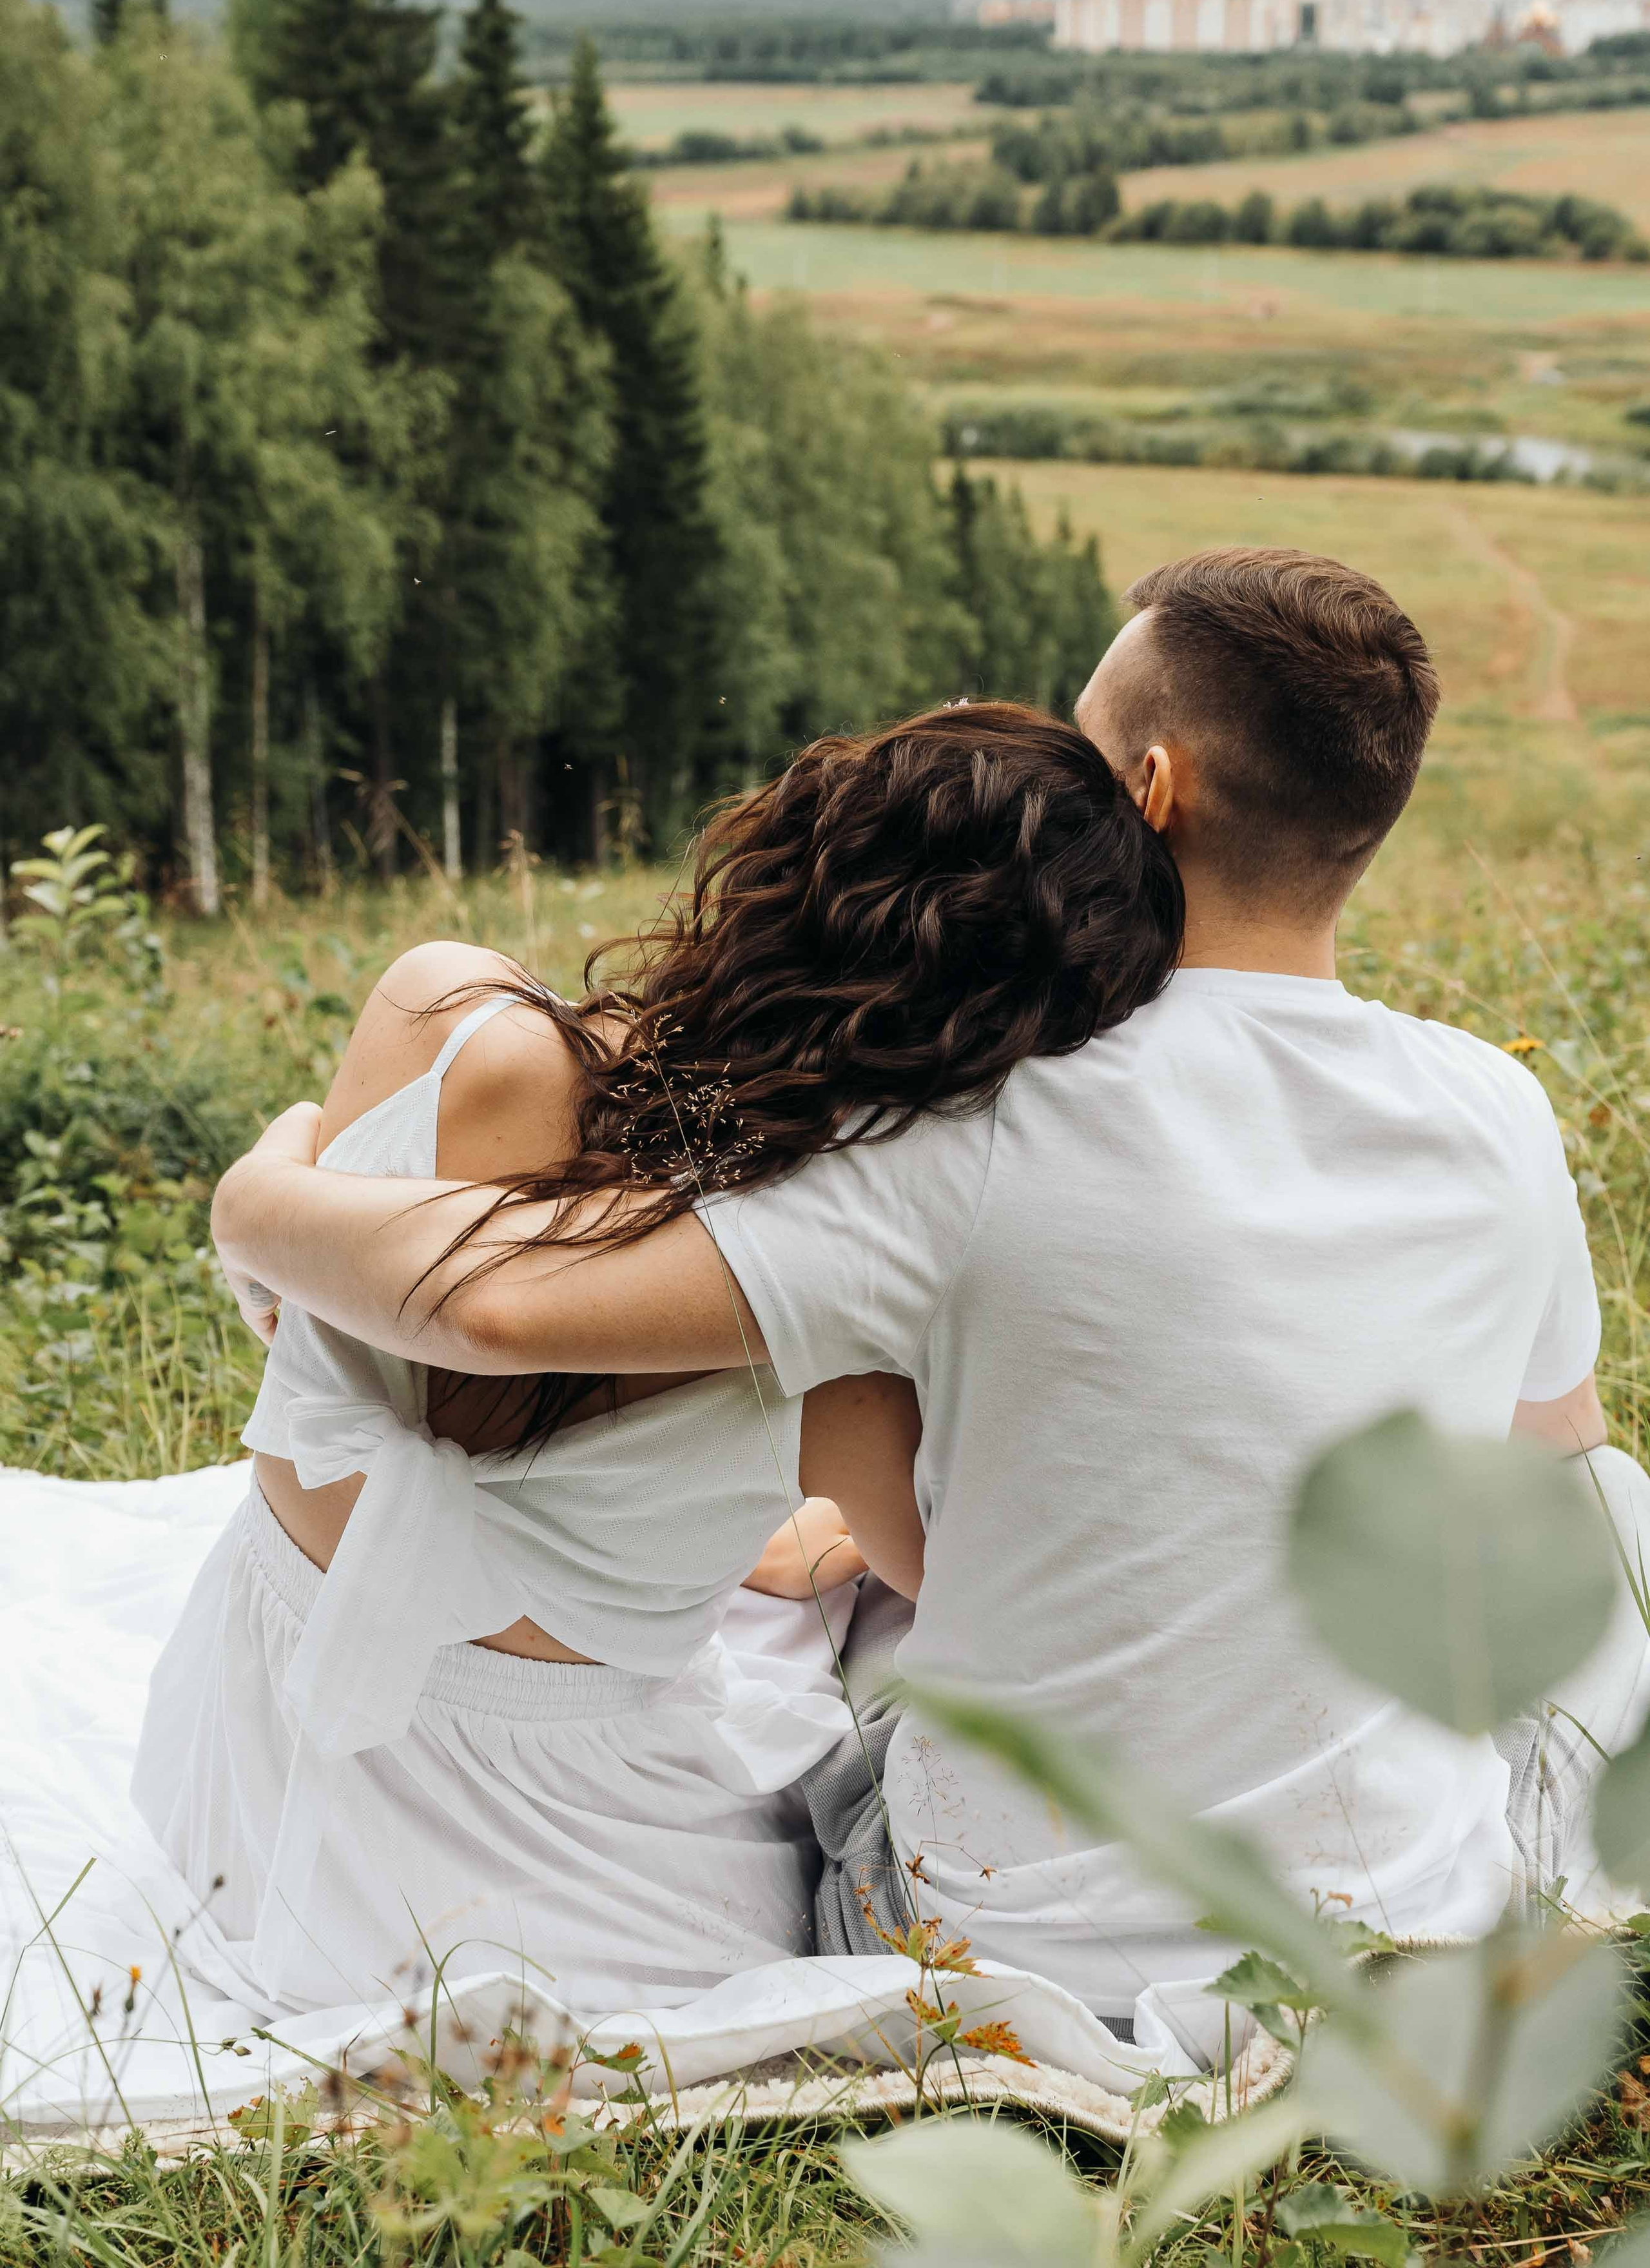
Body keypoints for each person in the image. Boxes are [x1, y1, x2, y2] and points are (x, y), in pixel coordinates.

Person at [213, 546, 1650, 2049]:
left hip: (1018, 1946)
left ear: (1146, 789)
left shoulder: (974, 1119)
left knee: (879, 1606)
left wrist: (258, 1199)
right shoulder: (1494, 1107)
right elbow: (1556, 1460)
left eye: (1080, 733)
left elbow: (501, 1307)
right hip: (1410, 1917)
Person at [139, 703, 1181, 2022]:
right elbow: (961, 1582)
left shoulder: (447, 1010)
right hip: (552, 1857)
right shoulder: (848, 1284)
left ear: (790, 852)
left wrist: (267, 1172)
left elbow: (332, 1320)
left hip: (244, 1737)